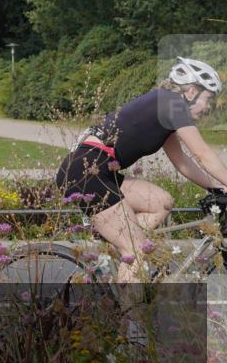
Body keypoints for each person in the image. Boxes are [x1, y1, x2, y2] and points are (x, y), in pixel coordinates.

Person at [55, 57, 227, 284]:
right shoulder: (172, 103)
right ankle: (128, 318)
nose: (208, 107)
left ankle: (117, 244)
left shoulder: (165, 106)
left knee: (161, 202)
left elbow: (182, 161)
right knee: (137, 250)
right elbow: (202, 154)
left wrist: (219, 188)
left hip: (101, 172)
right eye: (208, 99)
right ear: (192, 91)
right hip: (86, 172)